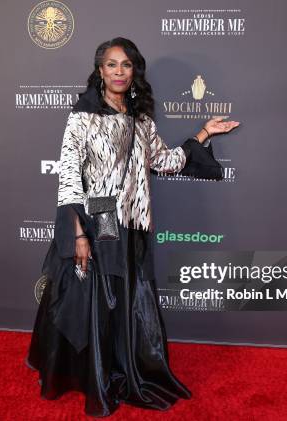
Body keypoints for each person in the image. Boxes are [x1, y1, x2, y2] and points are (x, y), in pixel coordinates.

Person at [26, 37, 240, 417]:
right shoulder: (82, 116)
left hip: (134, 223)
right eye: (111, 64)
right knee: (96, 302)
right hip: (99, 219)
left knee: (125, 302)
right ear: (99, 71)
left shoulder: (141, 119)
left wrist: (204, 134)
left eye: (126, 65)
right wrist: (77, 233)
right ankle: (95, 376)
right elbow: (70, 177)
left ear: (134, 71)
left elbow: (167, 161)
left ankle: (121, 369)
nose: (119, 71)